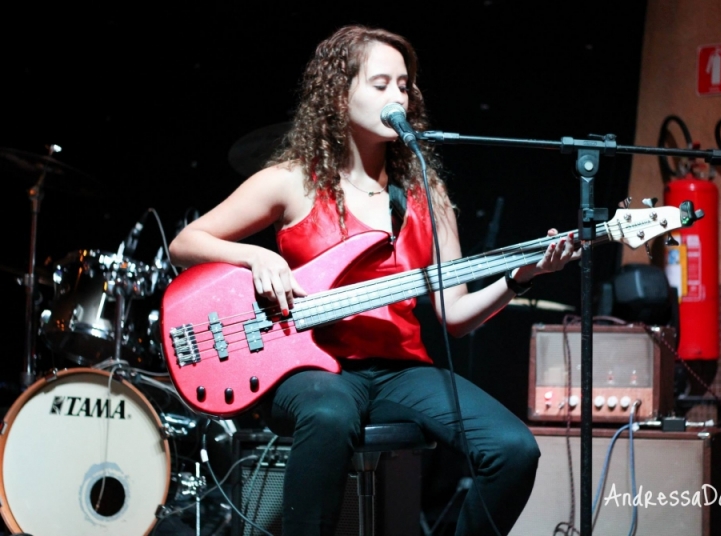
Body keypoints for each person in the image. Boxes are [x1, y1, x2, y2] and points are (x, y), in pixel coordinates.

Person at [169, 24, 579, 536]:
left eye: (404, 86)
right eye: (381, 84)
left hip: (398, 370)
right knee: (330, 414)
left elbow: (453, 316)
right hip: (305, 364)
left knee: (514, 449)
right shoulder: (293, 181)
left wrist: (519, 278)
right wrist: (257, 258)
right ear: (339, 98)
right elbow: (186, 243)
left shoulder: (429, 196)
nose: (398, 97)